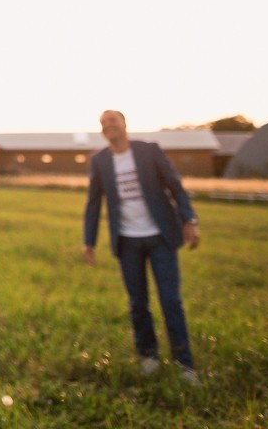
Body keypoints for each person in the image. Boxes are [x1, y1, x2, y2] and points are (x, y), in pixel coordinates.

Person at [82, 110, 202, 384]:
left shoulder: (149, 151)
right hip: (127, 242)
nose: (108, 126)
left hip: (160, 237)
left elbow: (175, 186)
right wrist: (89, 241)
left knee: (171, 301)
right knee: (138, 303)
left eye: (113, 121)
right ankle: (149, 356)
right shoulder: (100, 161)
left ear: (124, 124)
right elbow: (93, 202)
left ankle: (185, 364)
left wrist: (189, 220)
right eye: (103, 123)